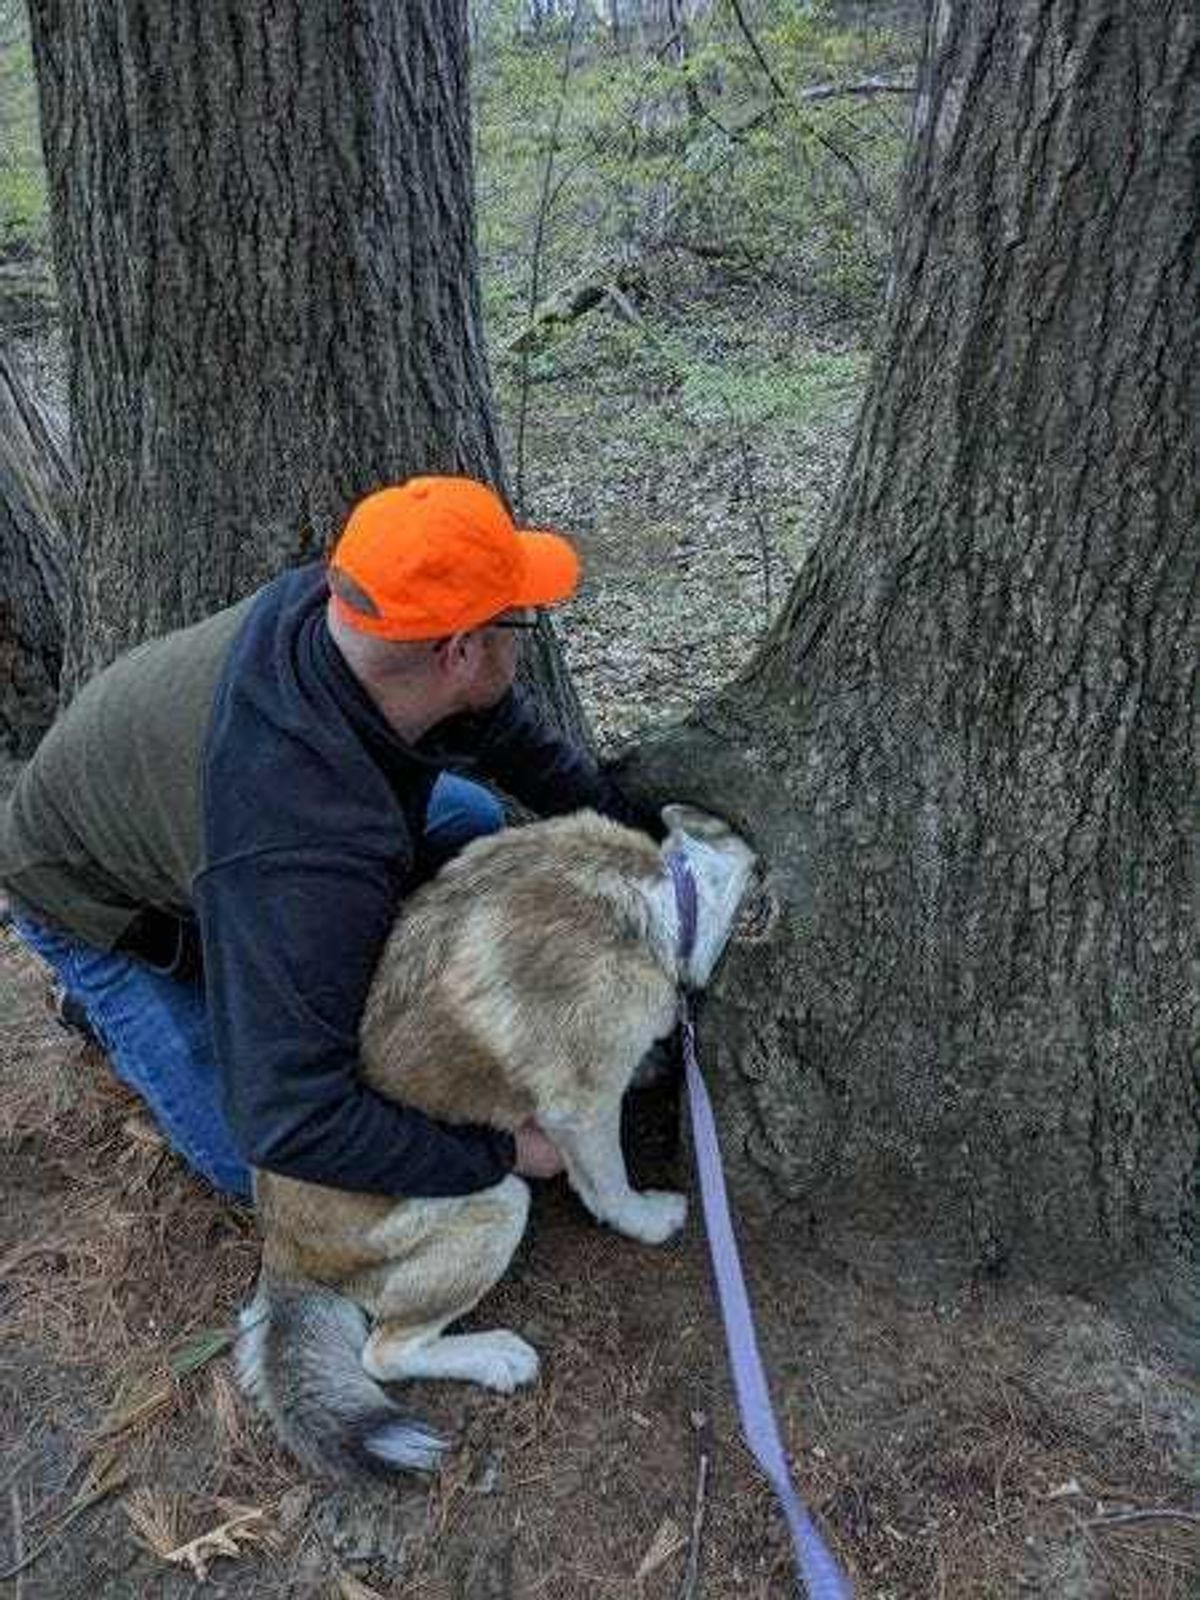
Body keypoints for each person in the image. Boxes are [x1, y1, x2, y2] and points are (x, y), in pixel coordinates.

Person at [0, 476, 655, 1204]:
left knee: (468, 817)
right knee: (261, 1172)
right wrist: (503, 1152)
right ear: (462, 651)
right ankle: (101, 1009)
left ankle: (256, 977)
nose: (523, 639)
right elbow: (291, 1122)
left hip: (199, 832)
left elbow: (504, 730)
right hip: (90, 901)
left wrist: (644, 845)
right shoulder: (297, 846)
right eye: (519, 621)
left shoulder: (359, 614)